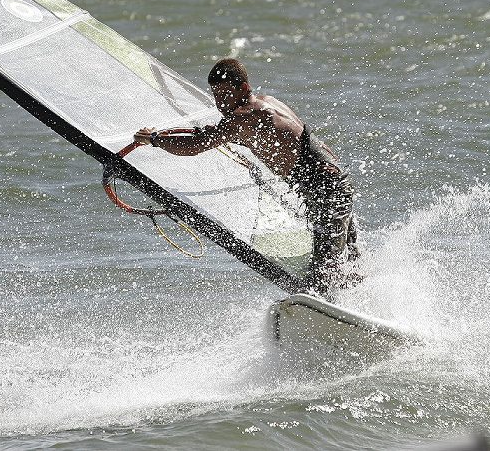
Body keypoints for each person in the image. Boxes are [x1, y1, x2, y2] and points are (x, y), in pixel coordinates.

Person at [134, 58, 359, 296]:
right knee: (346, 261)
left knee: (321, 273)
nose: (220, 103)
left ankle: (328, 317)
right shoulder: (267, 103)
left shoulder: (244, 118)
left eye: (224, 94)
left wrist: (155, 139)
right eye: (216, 96)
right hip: (333, 182)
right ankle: (363, 308)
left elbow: (195, 145)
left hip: (327, 190)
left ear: (243, 88)